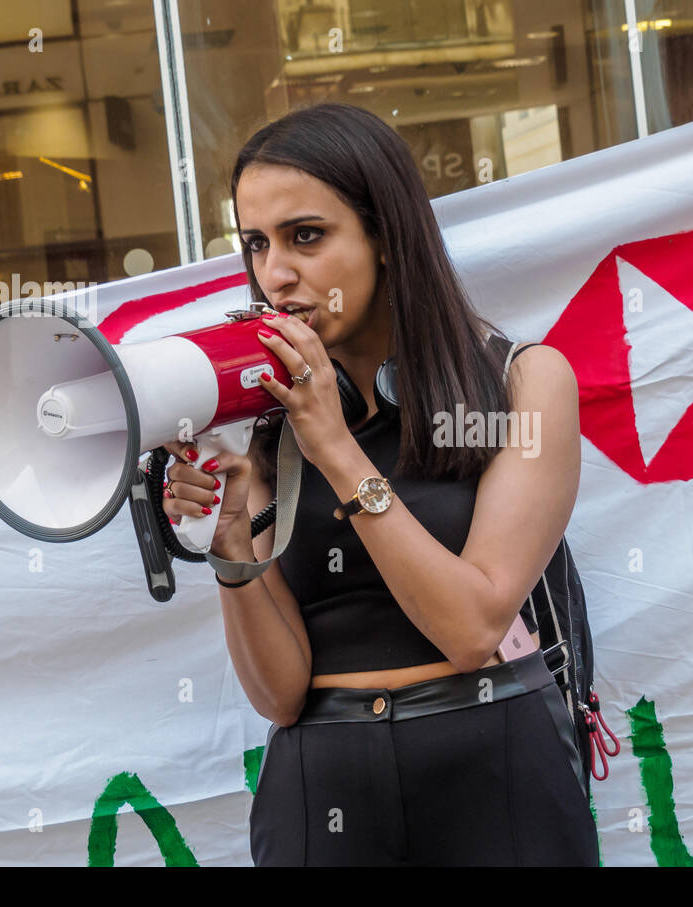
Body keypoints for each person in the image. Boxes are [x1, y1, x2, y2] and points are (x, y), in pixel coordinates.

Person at [160, 102, 599, 866]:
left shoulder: (522, 383)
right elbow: (281, 695)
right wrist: (231, 546)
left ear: (387, 236)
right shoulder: (270, 425)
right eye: (257, 244)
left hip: (490, 763)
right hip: (322, 782)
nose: (276, 273)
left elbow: (472, 631)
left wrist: (339, 452)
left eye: (307, 236)